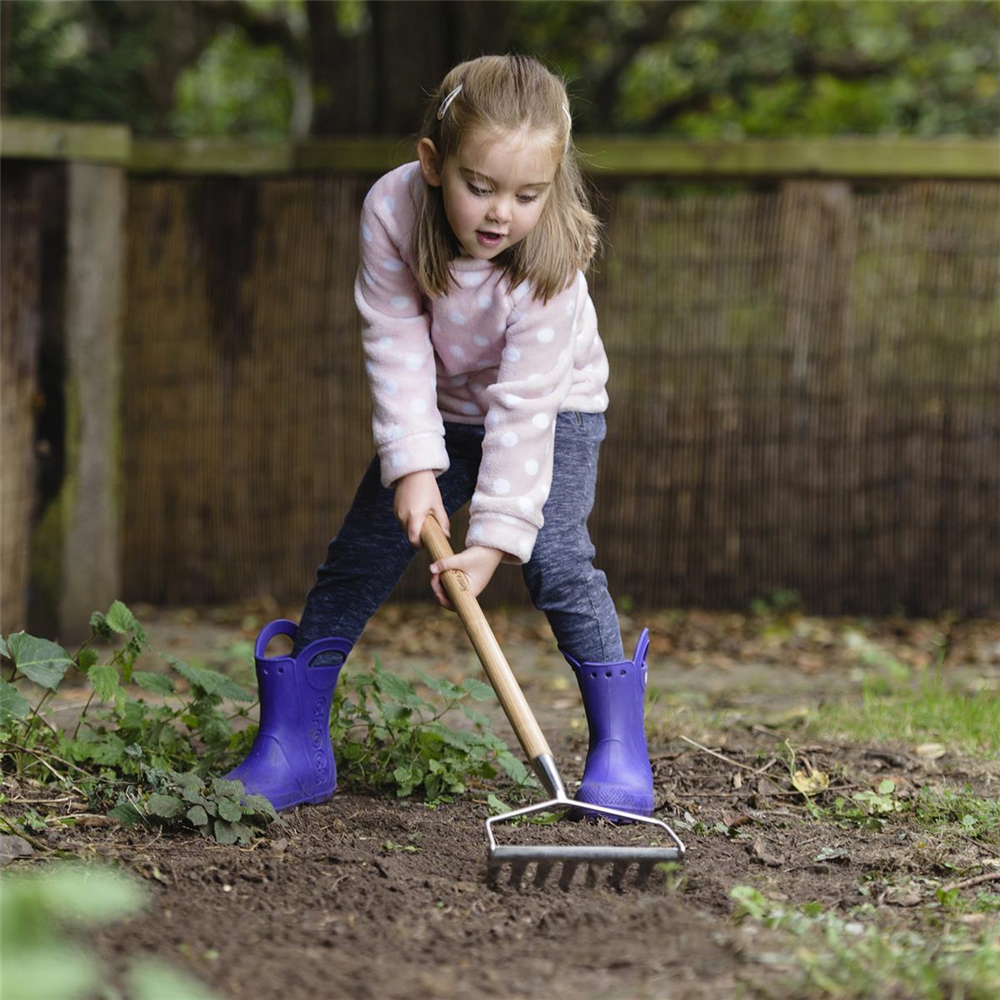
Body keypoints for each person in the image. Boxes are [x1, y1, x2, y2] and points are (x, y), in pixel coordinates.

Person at [225, 54, 655, 819]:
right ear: (433, 162)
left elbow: (524, 408)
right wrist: (414, 466)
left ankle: (619, 746)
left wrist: (491, 538)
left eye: (528, 195)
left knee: (556, 557)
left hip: (554, 410)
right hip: (438, 409)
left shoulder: (555, 260)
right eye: (479, 187)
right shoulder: (393, 208)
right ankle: (294, 747)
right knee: (358, 557)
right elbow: (393, 339)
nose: (501, 214)